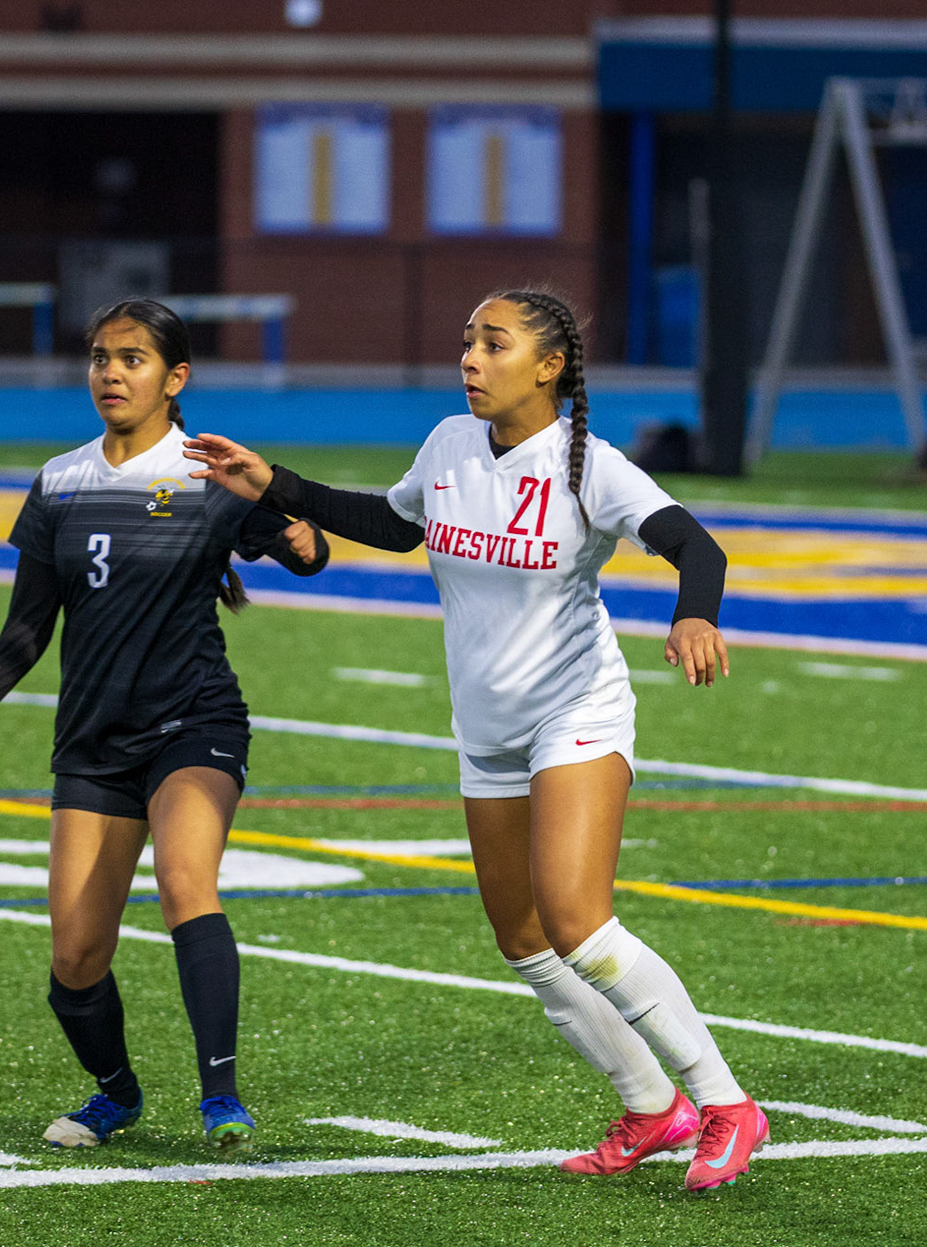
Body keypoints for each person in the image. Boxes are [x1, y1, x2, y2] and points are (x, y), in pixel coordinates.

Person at [184, 287, 767, 1192]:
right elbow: (391, 524)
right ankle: (652, 1108)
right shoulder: (450, 444)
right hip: (486, 726)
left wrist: (696, 616)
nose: (470, 359)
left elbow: (698, 547)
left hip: (575, 711)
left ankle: (727, 1104)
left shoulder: (589, 467)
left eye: (493, 344)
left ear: (550, 367)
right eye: (467, 342)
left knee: (577, 921)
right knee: (524, 940)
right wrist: (274, 485)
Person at [0, 297, 328, 1152]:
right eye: (101, 357)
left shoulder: (209, 474)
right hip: (93, 742)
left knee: (184, 883)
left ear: (175, 379)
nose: (111, 373)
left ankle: (221, 1099)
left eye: (133, 359)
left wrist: (293, 527)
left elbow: (305, 548)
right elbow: (25, 636)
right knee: (74, 959)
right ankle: (117, 1094)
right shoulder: (59, 481)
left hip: (194, 722)